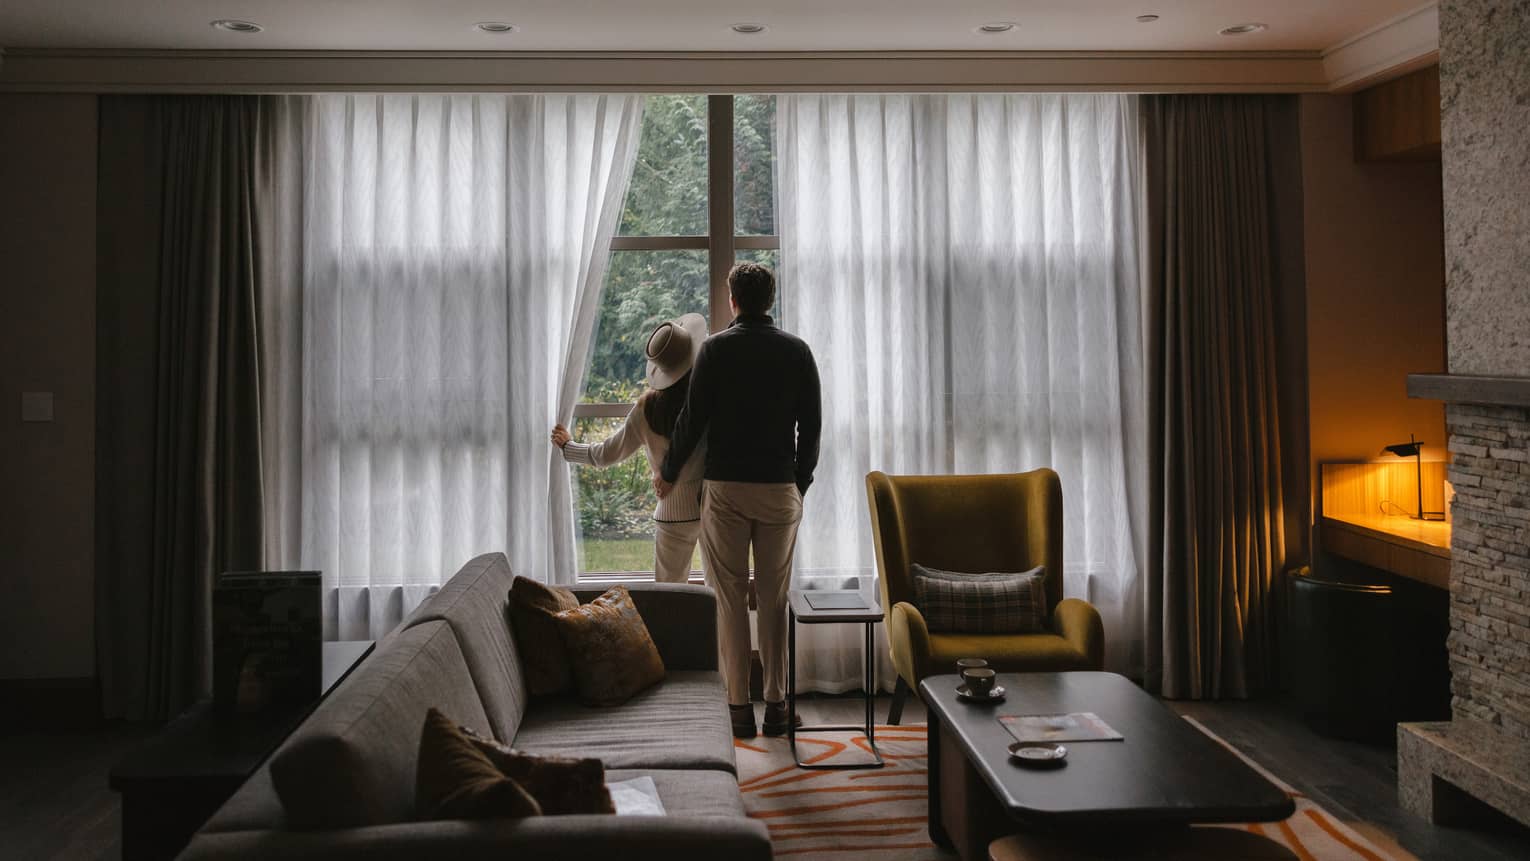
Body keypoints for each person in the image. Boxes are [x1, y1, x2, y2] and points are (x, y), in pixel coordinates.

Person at [656, 263, 821, 739]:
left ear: (733, 300)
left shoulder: (715, 351)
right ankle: (775, 705)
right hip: (777, 488)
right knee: (773, 598)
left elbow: (692, 420)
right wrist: (799, 483)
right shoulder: (797, 351)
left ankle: (736, 709)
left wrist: (669, 472)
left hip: (726, 489)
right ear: (770, 299)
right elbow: (811, 428)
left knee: (729, 598)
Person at [551, 313, 708, 584]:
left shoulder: (646, 409)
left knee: (669, 597)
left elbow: (605, 454)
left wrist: (568, 446)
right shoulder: (709, 402)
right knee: (718, 594)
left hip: (671, 512)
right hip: (710, 505)